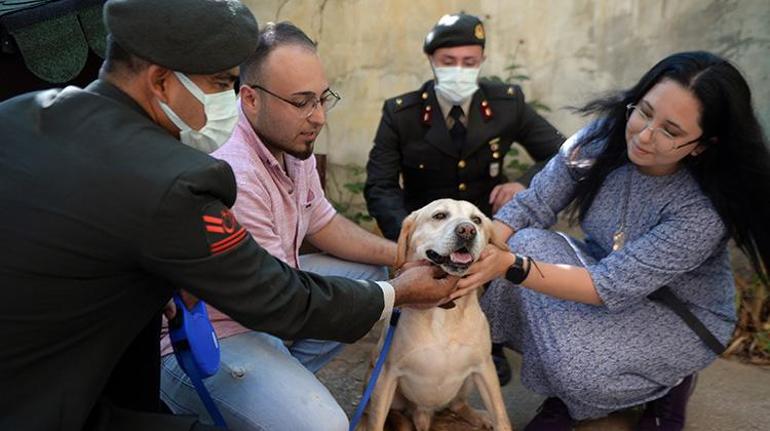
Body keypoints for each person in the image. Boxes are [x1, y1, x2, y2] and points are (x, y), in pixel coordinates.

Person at [0, 1, 462, 430]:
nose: (231, 99)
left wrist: (397, 258)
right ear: (161, 81)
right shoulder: (178, 179)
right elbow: (280, 300)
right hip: (51, 398)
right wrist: (396, 293)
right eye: (222, 84)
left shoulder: (19, 114)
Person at [451, 51, 770, 430]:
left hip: (678, 317)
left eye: (671, 131)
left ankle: (662, 382)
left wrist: (507, 266)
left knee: (574, 361)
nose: (645, 135)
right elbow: (532, 205)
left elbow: (608, 286)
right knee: (517, 251)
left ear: (702, 144)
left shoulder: (702, 209)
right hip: (601, 271)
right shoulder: (601, 140)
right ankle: (570, 396)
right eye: (645, 112)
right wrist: (478, 253)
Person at [160, 22, 398, 431]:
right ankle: (250, 398)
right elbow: (282, 302)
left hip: (270, 302)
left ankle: (279, 386)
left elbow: (322, 222)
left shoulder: (290, 140)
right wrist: (402, 293)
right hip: (211, 336)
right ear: (250, 99)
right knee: (326, 425)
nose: (319, 117)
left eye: (323, 99)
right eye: (303, 102)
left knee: (373, 274)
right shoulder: (234, 170)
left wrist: (406, 255)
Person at [364, 12, 564, 385]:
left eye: (469, 63)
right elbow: (380, 185)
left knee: (509, 241)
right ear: (432, 61)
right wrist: (408, 237)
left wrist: (523, 183)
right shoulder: (401, 113)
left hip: (486, 220)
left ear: (482, 61)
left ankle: (492, 342)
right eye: (448, 62)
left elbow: (562, 155)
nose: (459, 70)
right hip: (432, 227)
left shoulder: (506, 103)